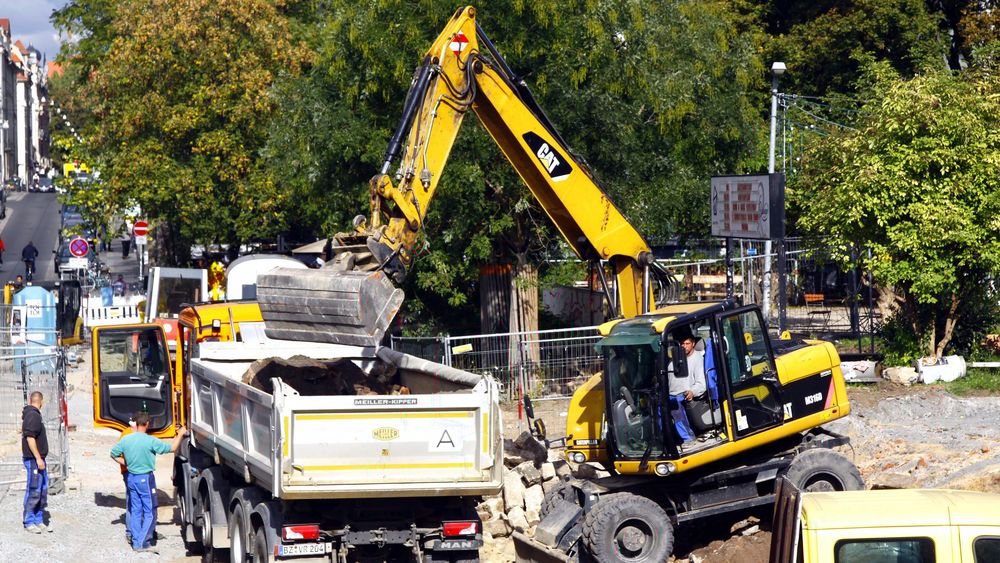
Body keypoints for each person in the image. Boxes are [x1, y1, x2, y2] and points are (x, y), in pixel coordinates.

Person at [110, 412, 187, 552]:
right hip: (145, 479)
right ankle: (142, 543)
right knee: (150, 510)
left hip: (131, 478)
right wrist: (181, 433)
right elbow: (172, 448)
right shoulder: (150, 440)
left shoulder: (126, 439)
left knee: (136, 510)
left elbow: (113, 453)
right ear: (147, 424)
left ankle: (135, 540)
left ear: (136, 423)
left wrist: (127, 464)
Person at [22, 391, 51, 534]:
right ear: (41, 401)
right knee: (34, 490)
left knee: (42, 490)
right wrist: (38, 458)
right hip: (34, 460)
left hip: (39, 460)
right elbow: (30, 438)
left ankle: (38, 519)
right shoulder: (33, 415)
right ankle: (29, 521)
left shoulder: (35, 415)